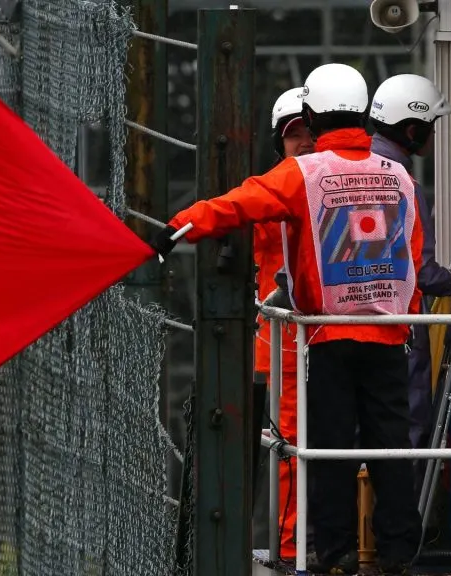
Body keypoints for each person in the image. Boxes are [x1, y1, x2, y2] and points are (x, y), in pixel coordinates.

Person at [151, 62, 424, 575]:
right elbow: (410, 252)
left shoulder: (305, 172)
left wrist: (178, 226)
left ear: (314, 116)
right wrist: (407, 323)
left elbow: (239, 203)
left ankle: (333, 552)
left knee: (325, 448)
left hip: (325, 333)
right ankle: (397, 553)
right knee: (391, 446)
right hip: (390, 336)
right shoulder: (398, 176)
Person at [367, 74, 451, 457]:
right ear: (412, 130)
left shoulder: (351, 169)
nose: (433, 135)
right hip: (400, 328)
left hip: (348, 326)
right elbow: (423, 273)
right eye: (430, 126)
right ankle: (403, 513)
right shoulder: (405, 184)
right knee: (408, 428)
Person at [252, 86, 313, 562]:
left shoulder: (305, 184)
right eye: (294, 135)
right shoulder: (273, 189)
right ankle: (292, 548)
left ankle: (316, 543)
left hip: (314, 336)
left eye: (310, 132)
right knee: (290, 445)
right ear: (280, 140)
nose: (304, 141)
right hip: (288, 343)